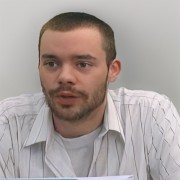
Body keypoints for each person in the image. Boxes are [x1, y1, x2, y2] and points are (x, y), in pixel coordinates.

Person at [0, 12, 180, 180]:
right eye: (51, 63)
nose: (65, 77)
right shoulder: (9, 121)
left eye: (83, 64)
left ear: (112, 70)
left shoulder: (150, 114)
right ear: (39, 66)